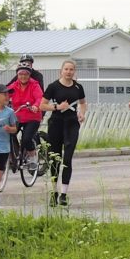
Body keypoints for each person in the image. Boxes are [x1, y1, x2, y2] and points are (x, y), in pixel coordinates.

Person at [40, 60, 87, 207]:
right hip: (56, 123)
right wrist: (57, 106)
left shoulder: (78, 87)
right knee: (56, 158)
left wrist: (82, 113)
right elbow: (42, 105)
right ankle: (54, 192)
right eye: (66, 69)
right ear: (61, 71)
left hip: (72, 124)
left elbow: (83, 102)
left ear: (74, 72)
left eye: (71, 69)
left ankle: (64, 194)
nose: (69, 72)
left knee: (67, 159)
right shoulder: (53, 86)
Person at [7, 64, 44, 170]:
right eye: (20, 74)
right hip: (17, 116)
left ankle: (32, 157)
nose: (23, 76)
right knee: (9, 134)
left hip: (32, 117)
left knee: (26, 139)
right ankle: (14, 155)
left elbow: (39, 98)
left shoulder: (34, 85)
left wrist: (36, 106)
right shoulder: (14, 86)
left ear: (29, 75)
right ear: (17, 75)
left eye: (26, 74)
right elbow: (5, 94)